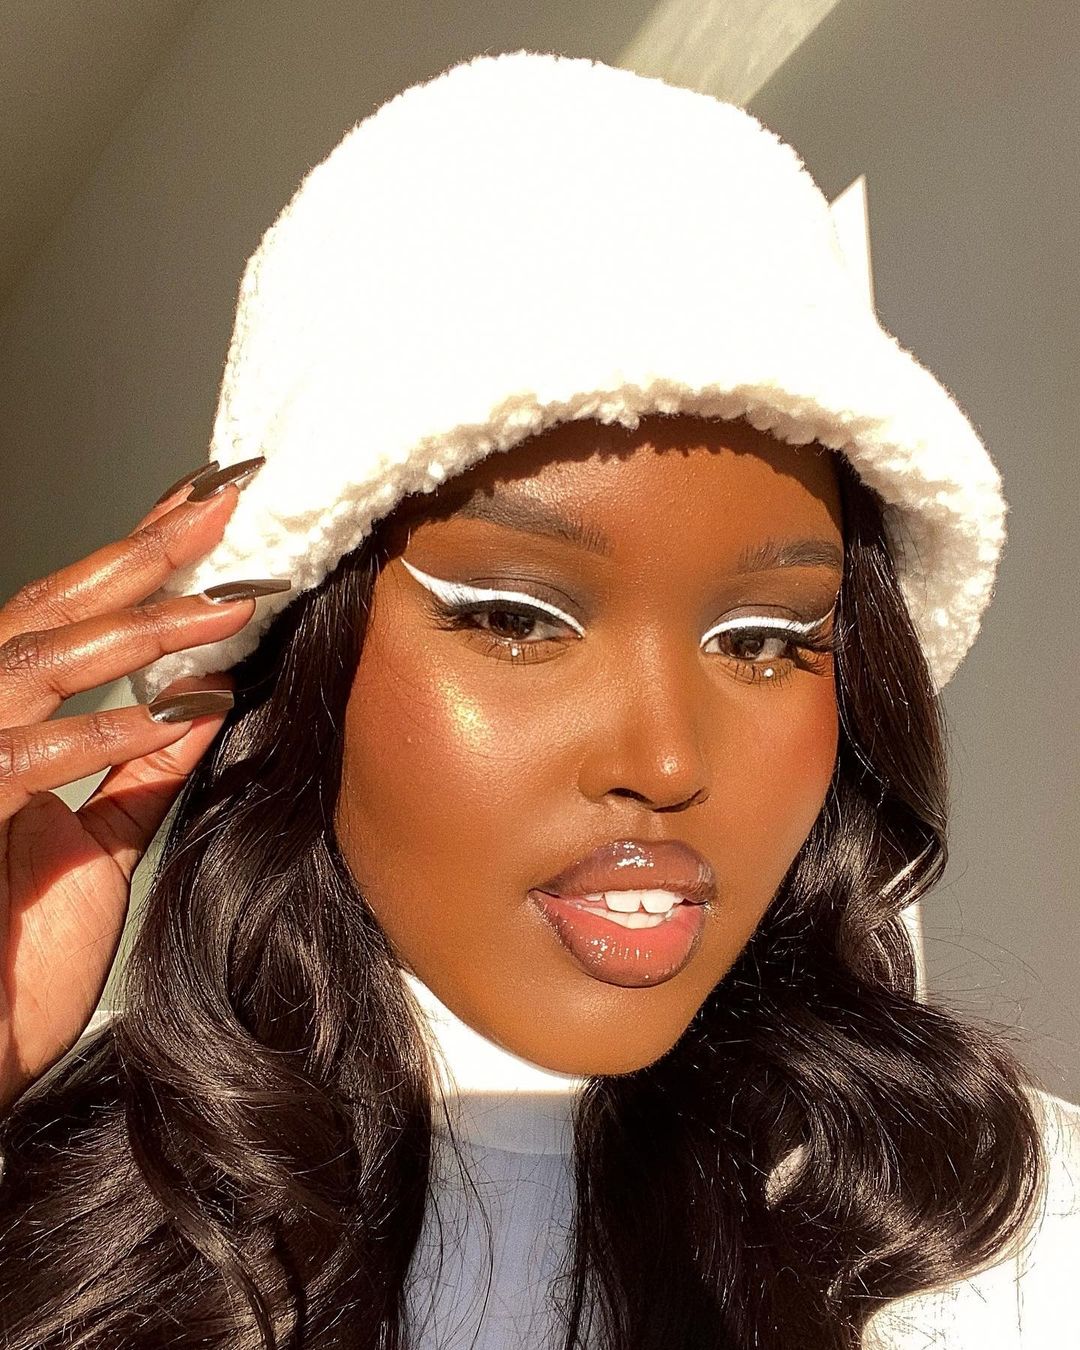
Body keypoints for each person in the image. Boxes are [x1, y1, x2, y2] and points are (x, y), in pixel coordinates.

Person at [0, 49, 1075, 1350]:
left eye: (764, 638)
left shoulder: (1008, 1240)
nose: (667, 761)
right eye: (515, 618)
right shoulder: (65, 1217)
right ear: (300, 668)